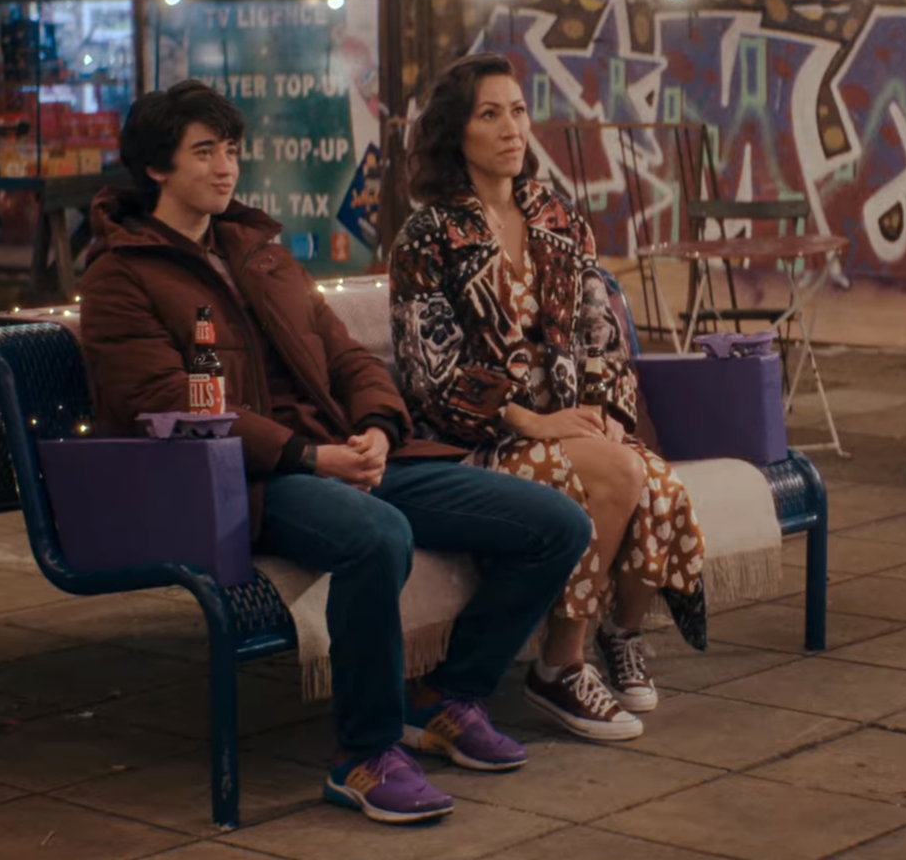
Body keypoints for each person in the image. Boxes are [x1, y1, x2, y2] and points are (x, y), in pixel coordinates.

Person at [78, 79, 592, 825]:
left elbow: (345, 353)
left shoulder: (259, 252)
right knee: (374, 536)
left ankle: (446, 698)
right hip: (246, 479)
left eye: (231, 151)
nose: (225, 168)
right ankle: (365, 754)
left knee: (554, 522)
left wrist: (378, 429)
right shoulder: (120, 275)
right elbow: (161, 397)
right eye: (203, 153)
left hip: (347, 459)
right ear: (156, 167)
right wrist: (308, 459)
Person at [389, 53, 706, 744]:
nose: (511, 129)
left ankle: (617, 635)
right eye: (489, 113)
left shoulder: (555, 214)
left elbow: (600, 330)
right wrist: (527, 417)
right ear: (455, 132)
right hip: (478, 438)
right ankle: (558, 665)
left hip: (565, 418)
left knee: (654, 480)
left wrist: (608, 413)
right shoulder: (428, 234)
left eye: (518, 111)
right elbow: (426, 369)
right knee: (619, 475)